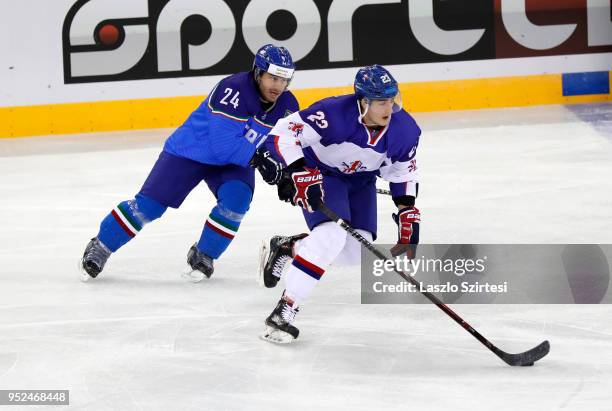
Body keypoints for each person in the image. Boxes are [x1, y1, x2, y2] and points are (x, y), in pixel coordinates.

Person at [80, 44, 299, 282]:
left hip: (235, 161)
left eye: (284, 79)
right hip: (190, 151)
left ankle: (204, 254)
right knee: (149, 207)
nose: (278, 86)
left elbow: (285, 143)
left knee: (237, 202)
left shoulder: (288, 106)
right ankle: (101, 245)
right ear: (258, 72)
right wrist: (259, 159)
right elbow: (222, 145)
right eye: (273, 77)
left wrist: (288, 172)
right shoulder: (233, 89)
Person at [252, 64, 421, 343]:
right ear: (363, 101)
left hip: (361, 181)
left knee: (356, 252)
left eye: (392, 99)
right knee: (330, 237)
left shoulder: (405, 130)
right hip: (321, 174)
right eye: (381, 101)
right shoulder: (332, 114)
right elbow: (283, 132)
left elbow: (403, 171)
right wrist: (296, 170)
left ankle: (287, 247)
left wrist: (407, 209)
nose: (388, 108)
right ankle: (286, 308)